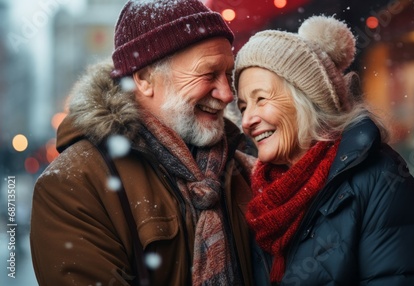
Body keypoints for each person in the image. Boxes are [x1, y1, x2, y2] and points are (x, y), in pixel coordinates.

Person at [30, 1, 257, 285]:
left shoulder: (243, 166)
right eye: (209, 74)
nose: (226, 94)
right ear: (145, 79)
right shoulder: (71, 184)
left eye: (228, 75)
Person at [233, 15, 414, 285]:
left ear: (306, 100)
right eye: (242, 107)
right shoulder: (261, 196)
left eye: (260, 99)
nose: (247, 120)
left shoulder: (381, 182)